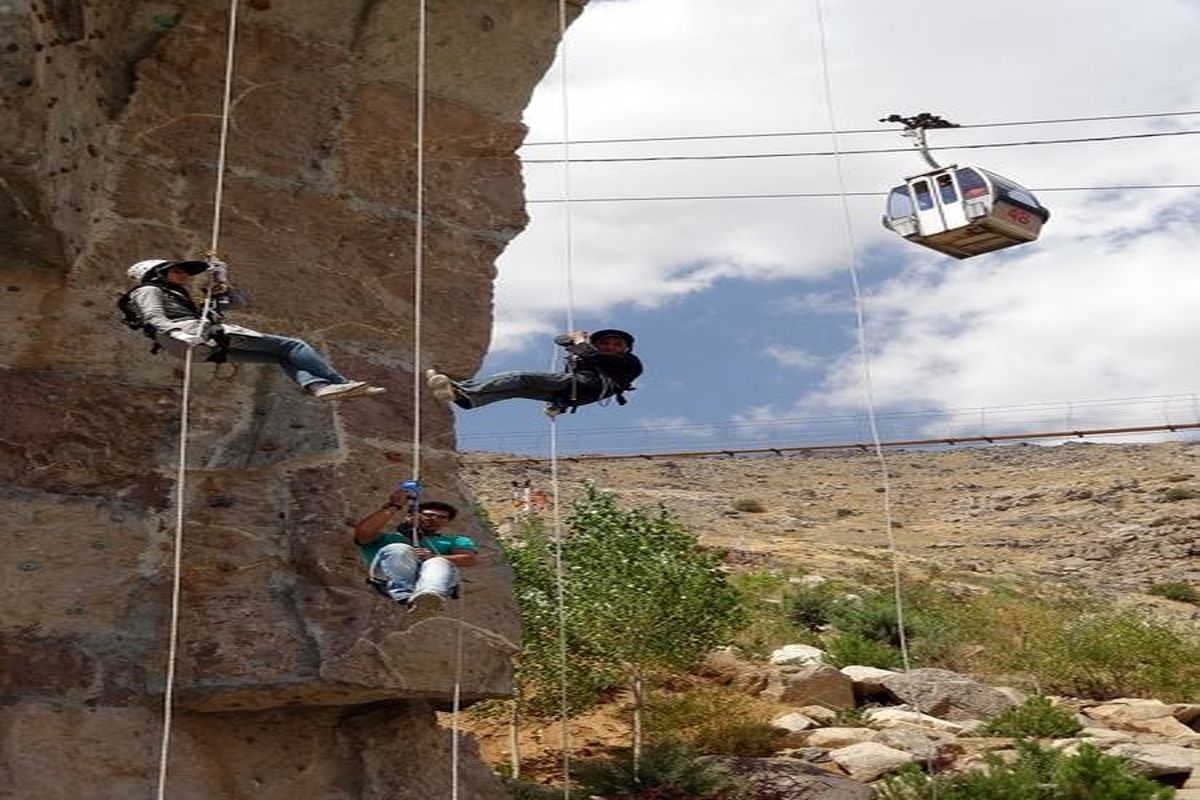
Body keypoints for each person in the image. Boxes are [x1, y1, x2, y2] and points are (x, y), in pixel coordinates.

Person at [121, 259, 384, 400]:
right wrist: (180, 334)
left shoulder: (182, 298)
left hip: (195, 343)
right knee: (292, 346)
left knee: (280, 356)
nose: (184, 276)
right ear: (156, 274)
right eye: (177, 272)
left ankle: (318, 388)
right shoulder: (148, 290)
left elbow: (236, 303)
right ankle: (341, 384)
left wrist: (222, 281)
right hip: (189, 336)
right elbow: (153, 317)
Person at [425, 328, 642, 415]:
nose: (611, 347)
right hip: (572, 394)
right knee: (517, 389)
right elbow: (561, 340)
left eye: (617, 344)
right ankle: (470, 401)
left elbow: (591, 356)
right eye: (605, 343)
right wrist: (573, 339)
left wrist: (580, 340)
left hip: (584, 385)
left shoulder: (629, 362)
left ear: (625, 349)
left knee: (520, 377)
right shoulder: (589, 355)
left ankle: (464, 390)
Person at [352, 488, 477, 613]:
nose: (434, 519)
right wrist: (394, 506)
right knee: (398, 548)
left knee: (438, 561)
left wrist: (433, 556)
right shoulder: (389, 538)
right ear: (412, 516)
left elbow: (468, 559)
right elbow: (363, 532)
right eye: (428, 515)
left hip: (432, 579)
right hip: (386, 579)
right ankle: (405, 596)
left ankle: (428, 596)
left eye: (442, 517)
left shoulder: (455, 540)